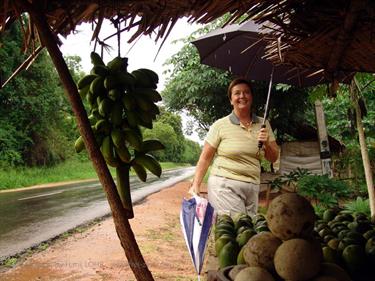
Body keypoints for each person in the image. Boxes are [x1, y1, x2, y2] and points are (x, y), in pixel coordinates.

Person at [189, 78, 279, 217]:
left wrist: (267, 143)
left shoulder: (263, 124)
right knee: (235, 229)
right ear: (231, 100)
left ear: (251, 97)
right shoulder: (220, 125)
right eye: (237, 93)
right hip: (225, 184)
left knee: (248, 233)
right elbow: (205, 158)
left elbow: (273, 157)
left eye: (246, 92)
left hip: (253, 185)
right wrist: (196, 184)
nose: (242, 96)